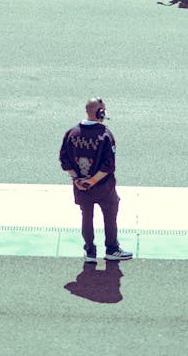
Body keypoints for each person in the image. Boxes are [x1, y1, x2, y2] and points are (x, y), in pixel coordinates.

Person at [59, 98, 133, 264]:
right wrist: (92, 181)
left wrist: (77, 178)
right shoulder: (105, 135)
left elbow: (64, 160)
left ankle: (90, 251)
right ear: (100, 112)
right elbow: (108, 166)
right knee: (110, 215)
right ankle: (112, 249)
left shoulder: (71, 134)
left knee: (86, 216)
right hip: (104, 188)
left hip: (80, 187)